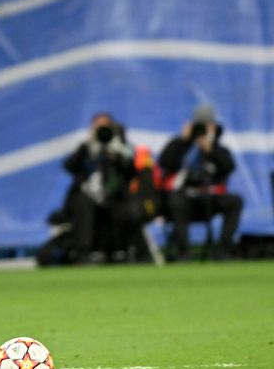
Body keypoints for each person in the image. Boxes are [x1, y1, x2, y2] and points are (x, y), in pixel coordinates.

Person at [49, 113, 141, 263]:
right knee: (83, 203)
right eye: (98, 126)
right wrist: (88, 146)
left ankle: (120, 251)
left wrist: (117, 154)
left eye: (105, 126)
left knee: (122, 207)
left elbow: (131, 172)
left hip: (113, 196)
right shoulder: (86, 147)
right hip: (85, 197)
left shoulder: (120, 146)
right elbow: (68, 166)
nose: (102, 130)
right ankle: (83, 253)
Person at [159, 104, 243, 261]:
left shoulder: (217, 148)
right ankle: (183, 252)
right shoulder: (180, 146)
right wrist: (183, 141)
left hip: (210, 197)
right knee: (175, 200)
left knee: (235, 201)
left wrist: (210, 149)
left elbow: (228, 167)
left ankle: (223, 250)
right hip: (184, 197)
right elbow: (165, 163)